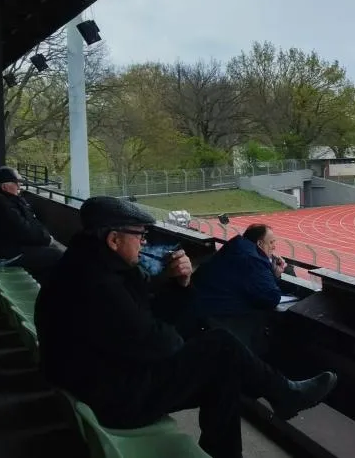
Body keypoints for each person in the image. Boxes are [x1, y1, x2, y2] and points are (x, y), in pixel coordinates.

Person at [34, 196, 338, 458]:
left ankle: (258, 420)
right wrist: (180, 336)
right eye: (139, 235)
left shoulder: (86, 266)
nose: (144, 242)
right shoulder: (99, 284)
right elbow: (161, 343)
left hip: (96, 381)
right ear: (114, 240)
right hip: (113, 397)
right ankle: (284, 395)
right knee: (220, 345)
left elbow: (144, 322)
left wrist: (179, 286)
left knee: (223, 369)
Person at [191, 224, 286, 355]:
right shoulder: (252, 259)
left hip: (199, 310)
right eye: (271, 242)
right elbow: (271, 298)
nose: (274, 247)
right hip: (216, 320)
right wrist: (275, 276)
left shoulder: (236, 247)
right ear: (259, 243)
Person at [0, 166, 65, 281]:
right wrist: (48, 240)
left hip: (8, 248)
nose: (20, 186)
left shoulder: (6, 200)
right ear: (5, 187)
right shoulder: (2, 205)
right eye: (17, 183)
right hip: (4, 255)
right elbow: (24, 230)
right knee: (57, 255)